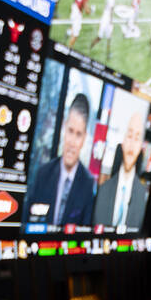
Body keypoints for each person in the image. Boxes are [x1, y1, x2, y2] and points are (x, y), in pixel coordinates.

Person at [24, 93, 96, 228]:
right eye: (70, 131)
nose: (72, 142)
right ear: (63, 128)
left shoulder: (88, 184)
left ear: (84, 138)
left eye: (78, 134)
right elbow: (27, 222)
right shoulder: (43, 174)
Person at [92, 111, 148, 229]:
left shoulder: (144, 197)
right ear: (122, 141)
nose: (132, 144)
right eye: (129, 136)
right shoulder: (103, 190)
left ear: (140, 148)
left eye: (137, 138)